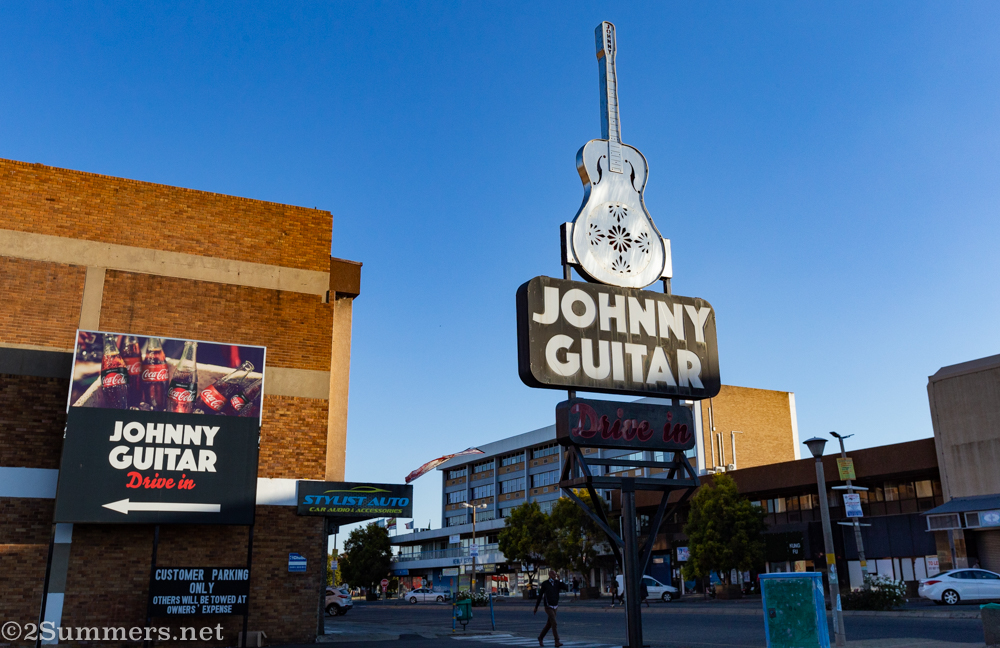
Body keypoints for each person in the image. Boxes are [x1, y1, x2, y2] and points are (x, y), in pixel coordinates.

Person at [534, 570, 568, 647]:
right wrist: (536, 607)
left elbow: (565, 588)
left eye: (555, 575)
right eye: (553, 575)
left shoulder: (557, 583)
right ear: (549, 575)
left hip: (555, 606)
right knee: (554, 623)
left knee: (549, 624)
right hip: (548, 606)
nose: (555, 576)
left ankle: (540, 637)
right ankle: (557, 641)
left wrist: (560, 580)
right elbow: (540, 596)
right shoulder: (545, 584)